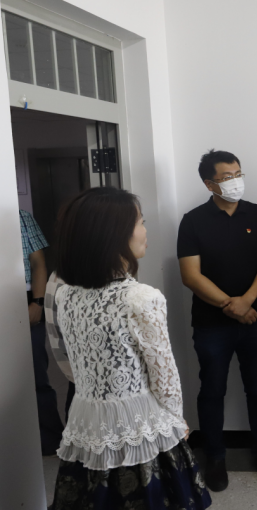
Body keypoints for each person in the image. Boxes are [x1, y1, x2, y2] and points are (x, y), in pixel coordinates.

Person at [46, 187, 210, 509]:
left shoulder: (65, 294)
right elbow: (164, 377)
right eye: (141, 222)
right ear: (114, 233)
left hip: (86, 421)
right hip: (139, 424)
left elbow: (69, 357)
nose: (145, 231)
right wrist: (176, 421)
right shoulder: (141, 298)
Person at [178, 149, 257, 491]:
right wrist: (230, 305)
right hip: (211, 325)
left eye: (238, 174)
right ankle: (215, 457)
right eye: (226, 177)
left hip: (256, 320)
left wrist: (247, 301)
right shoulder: (193, 221)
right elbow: (190, 275)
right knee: (212, 390)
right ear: (209, 184)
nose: (235, 182)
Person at [19, 209, 64, 456]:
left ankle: (51, 440)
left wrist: (37, 302)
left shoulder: (21, 217)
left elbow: (38, 263)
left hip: (24, 298)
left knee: (36, 373)